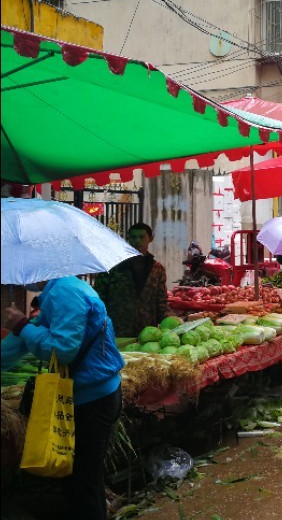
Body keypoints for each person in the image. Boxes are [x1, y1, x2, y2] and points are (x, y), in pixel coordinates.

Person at [2, 276, 124, 520]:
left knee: (81, 483)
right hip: (93, 393)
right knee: (85, 478)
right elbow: (31, 335)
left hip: (93, 400)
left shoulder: (65, 292)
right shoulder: (59, 290)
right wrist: (20, 332)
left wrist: (22, 325)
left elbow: (63, 350)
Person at [94, 222, 169, 337]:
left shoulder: (157, 269)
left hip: (147, 331)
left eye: (141, 237)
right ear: (128, 239)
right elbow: (99, 296)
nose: (137, 241)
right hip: (117, 328)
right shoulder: (113, 266)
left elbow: (161, 303)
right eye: (133, 237)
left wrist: (172, 320)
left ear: (151, 238)